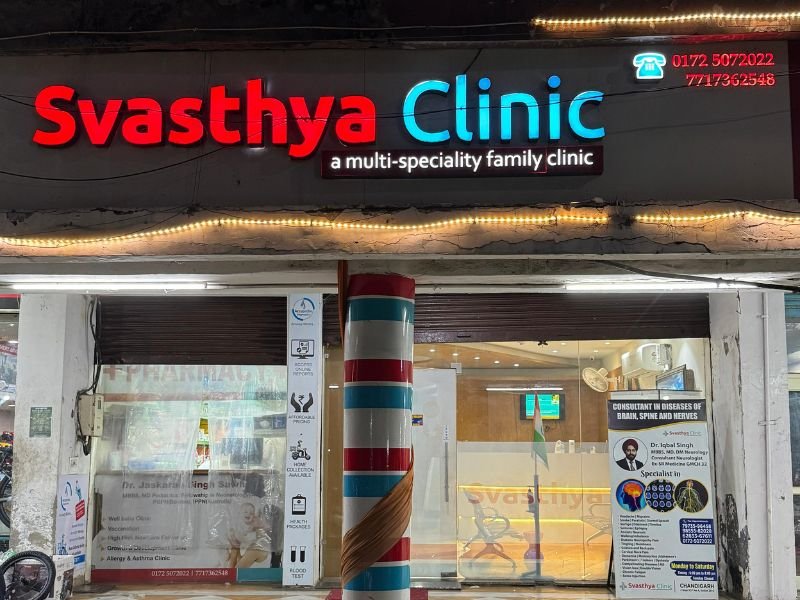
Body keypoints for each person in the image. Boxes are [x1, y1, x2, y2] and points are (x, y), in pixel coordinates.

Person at [226, 501, 271, 568]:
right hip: (246, 548)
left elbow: (246, 539)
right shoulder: (239, 525)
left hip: (253, 547)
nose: (249, 514)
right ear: (239, 514)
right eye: (245, 512)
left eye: (252, 513)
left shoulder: (254, 529)